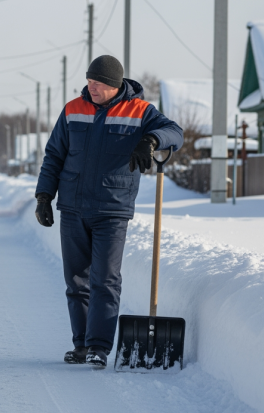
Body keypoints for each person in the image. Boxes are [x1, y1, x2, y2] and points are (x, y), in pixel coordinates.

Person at [34, 55, 183, 367]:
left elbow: (175, 132)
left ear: (116, 85)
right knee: (76, 280)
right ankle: (81, 345)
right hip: (73, 207)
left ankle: (98, 347)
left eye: (98, 82)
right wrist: (44, 195)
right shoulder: (74, 108)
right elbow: (54, 154)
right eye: (89, 81)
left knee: (105, 279)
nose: (92, 87)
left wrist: (151, 140)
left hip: (112, 209)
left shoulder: (140, 111)